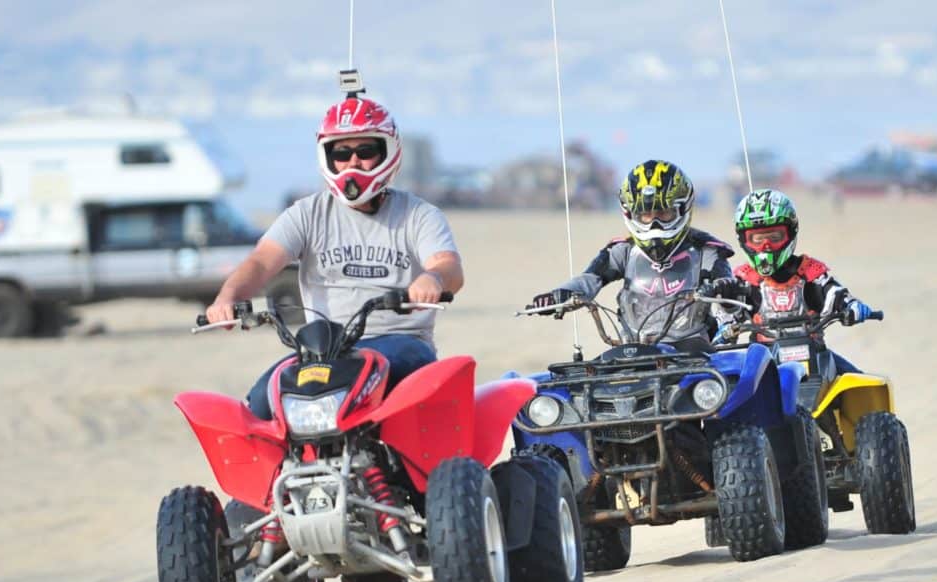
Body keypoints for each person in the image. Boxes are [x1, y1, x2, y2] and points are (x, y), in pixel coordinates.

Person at [205, 94, 464, 420]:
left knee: (408, 371)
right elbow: (261, 261)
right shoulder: (307, 213)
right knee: (259, 405)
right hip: (323, 349)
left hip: (399, 341)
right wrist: (228, 297)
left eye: (365, 151)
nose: (352, 162)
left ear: (388, 152)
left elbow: (448, 266)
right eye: (341, 153)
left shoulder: (418, 215)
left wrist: (433, 279)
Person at [526, 159, 733, 352]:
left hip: (693, 351)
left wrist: (727, 290)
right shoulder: (623, 250)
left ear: (682, 208)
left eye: (663, 213)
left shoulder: (706, 250)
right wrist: (559, 295)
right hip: (632, 350)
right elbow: (589, 281)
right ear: (630, 213)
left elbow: (727, 287)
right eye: (645, 215)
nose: (654, 223)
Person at [714, 188, 874, 372]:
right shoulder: (744, 280)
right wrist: (725, 326)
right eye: (757, 239)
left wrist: (851, 306)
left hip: (816, 358)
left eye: (774, 237)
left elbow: (833, 293)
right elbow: (729, 314)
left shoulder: (810, 272)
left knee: (863, 387)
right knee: (727, 394)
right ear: (743, 239)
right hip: (764, 365)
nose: (766, 246)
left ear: (791, 232)